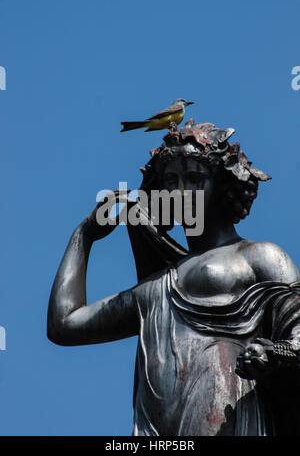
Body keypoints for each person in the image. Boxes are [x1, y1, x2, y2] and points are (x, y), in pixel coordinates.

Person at [47, 120, 300, 436]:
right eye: (170, 180)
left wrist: (276, 354)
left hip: (228, 417)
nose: (181, 191)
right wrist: (83, 236)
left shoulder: (259, 256)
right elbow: (64, 325)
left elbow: (299, 331)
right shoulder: (155, 288)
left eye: (194, 178)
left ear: (224, 185)